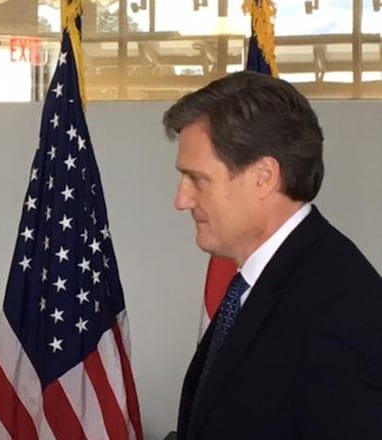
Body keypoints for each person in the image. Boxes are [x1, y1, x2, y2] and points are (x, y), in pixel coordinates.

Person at [163, 71, 382, 440]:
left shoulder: (343, 310)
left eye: (197, 179)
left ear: (264, 177)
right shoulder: (266, 279)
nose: (181, 200)